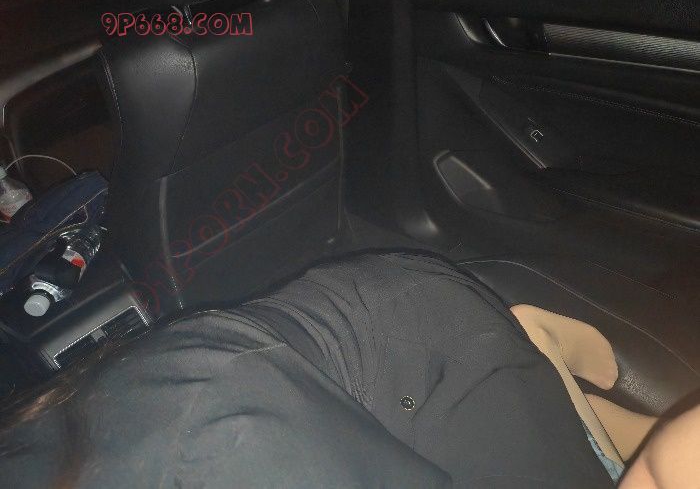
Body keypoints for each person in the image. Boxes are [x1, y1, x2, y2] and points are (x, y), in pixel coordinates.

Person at [0, 252, 687, 488]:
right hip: (351, 341)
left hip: (425, 350)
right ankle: (543, 374)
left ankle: (529, 360)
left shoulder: (218, 452)